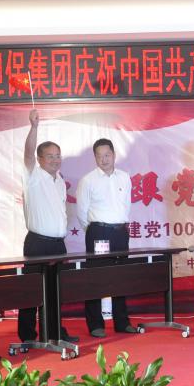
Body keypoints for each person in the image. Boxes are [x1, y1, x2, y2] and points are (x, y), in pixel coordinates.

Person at [19, 109, 78, 344]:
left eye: (58, 156)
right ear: (40, 159)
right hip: (37, 243)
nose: (55, 160)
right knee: (31, 291)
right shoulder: (32, 176)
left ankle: (54, 332)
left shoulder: (60, 181)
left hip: (57, 245)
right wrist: (34, 127)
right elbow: (27, 153)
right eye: (50, 156)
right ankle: (27, 336)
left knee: (55, 291)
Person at [76, 138, 135, 337]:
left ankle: (122, 322)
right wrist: (96, 230)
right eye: (99, 156)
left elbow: (126, 205)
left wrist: (119, 225)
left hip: (120, 233)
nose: (104, 159)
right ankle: (95, 324)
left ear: (114, 155)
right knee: (97, 278)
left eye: (107, 155)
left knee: (121, 277)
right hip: (99, 233)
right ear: (95, 157)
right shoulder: (88, 180)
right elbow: (82, 212)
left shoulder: (124, 177)